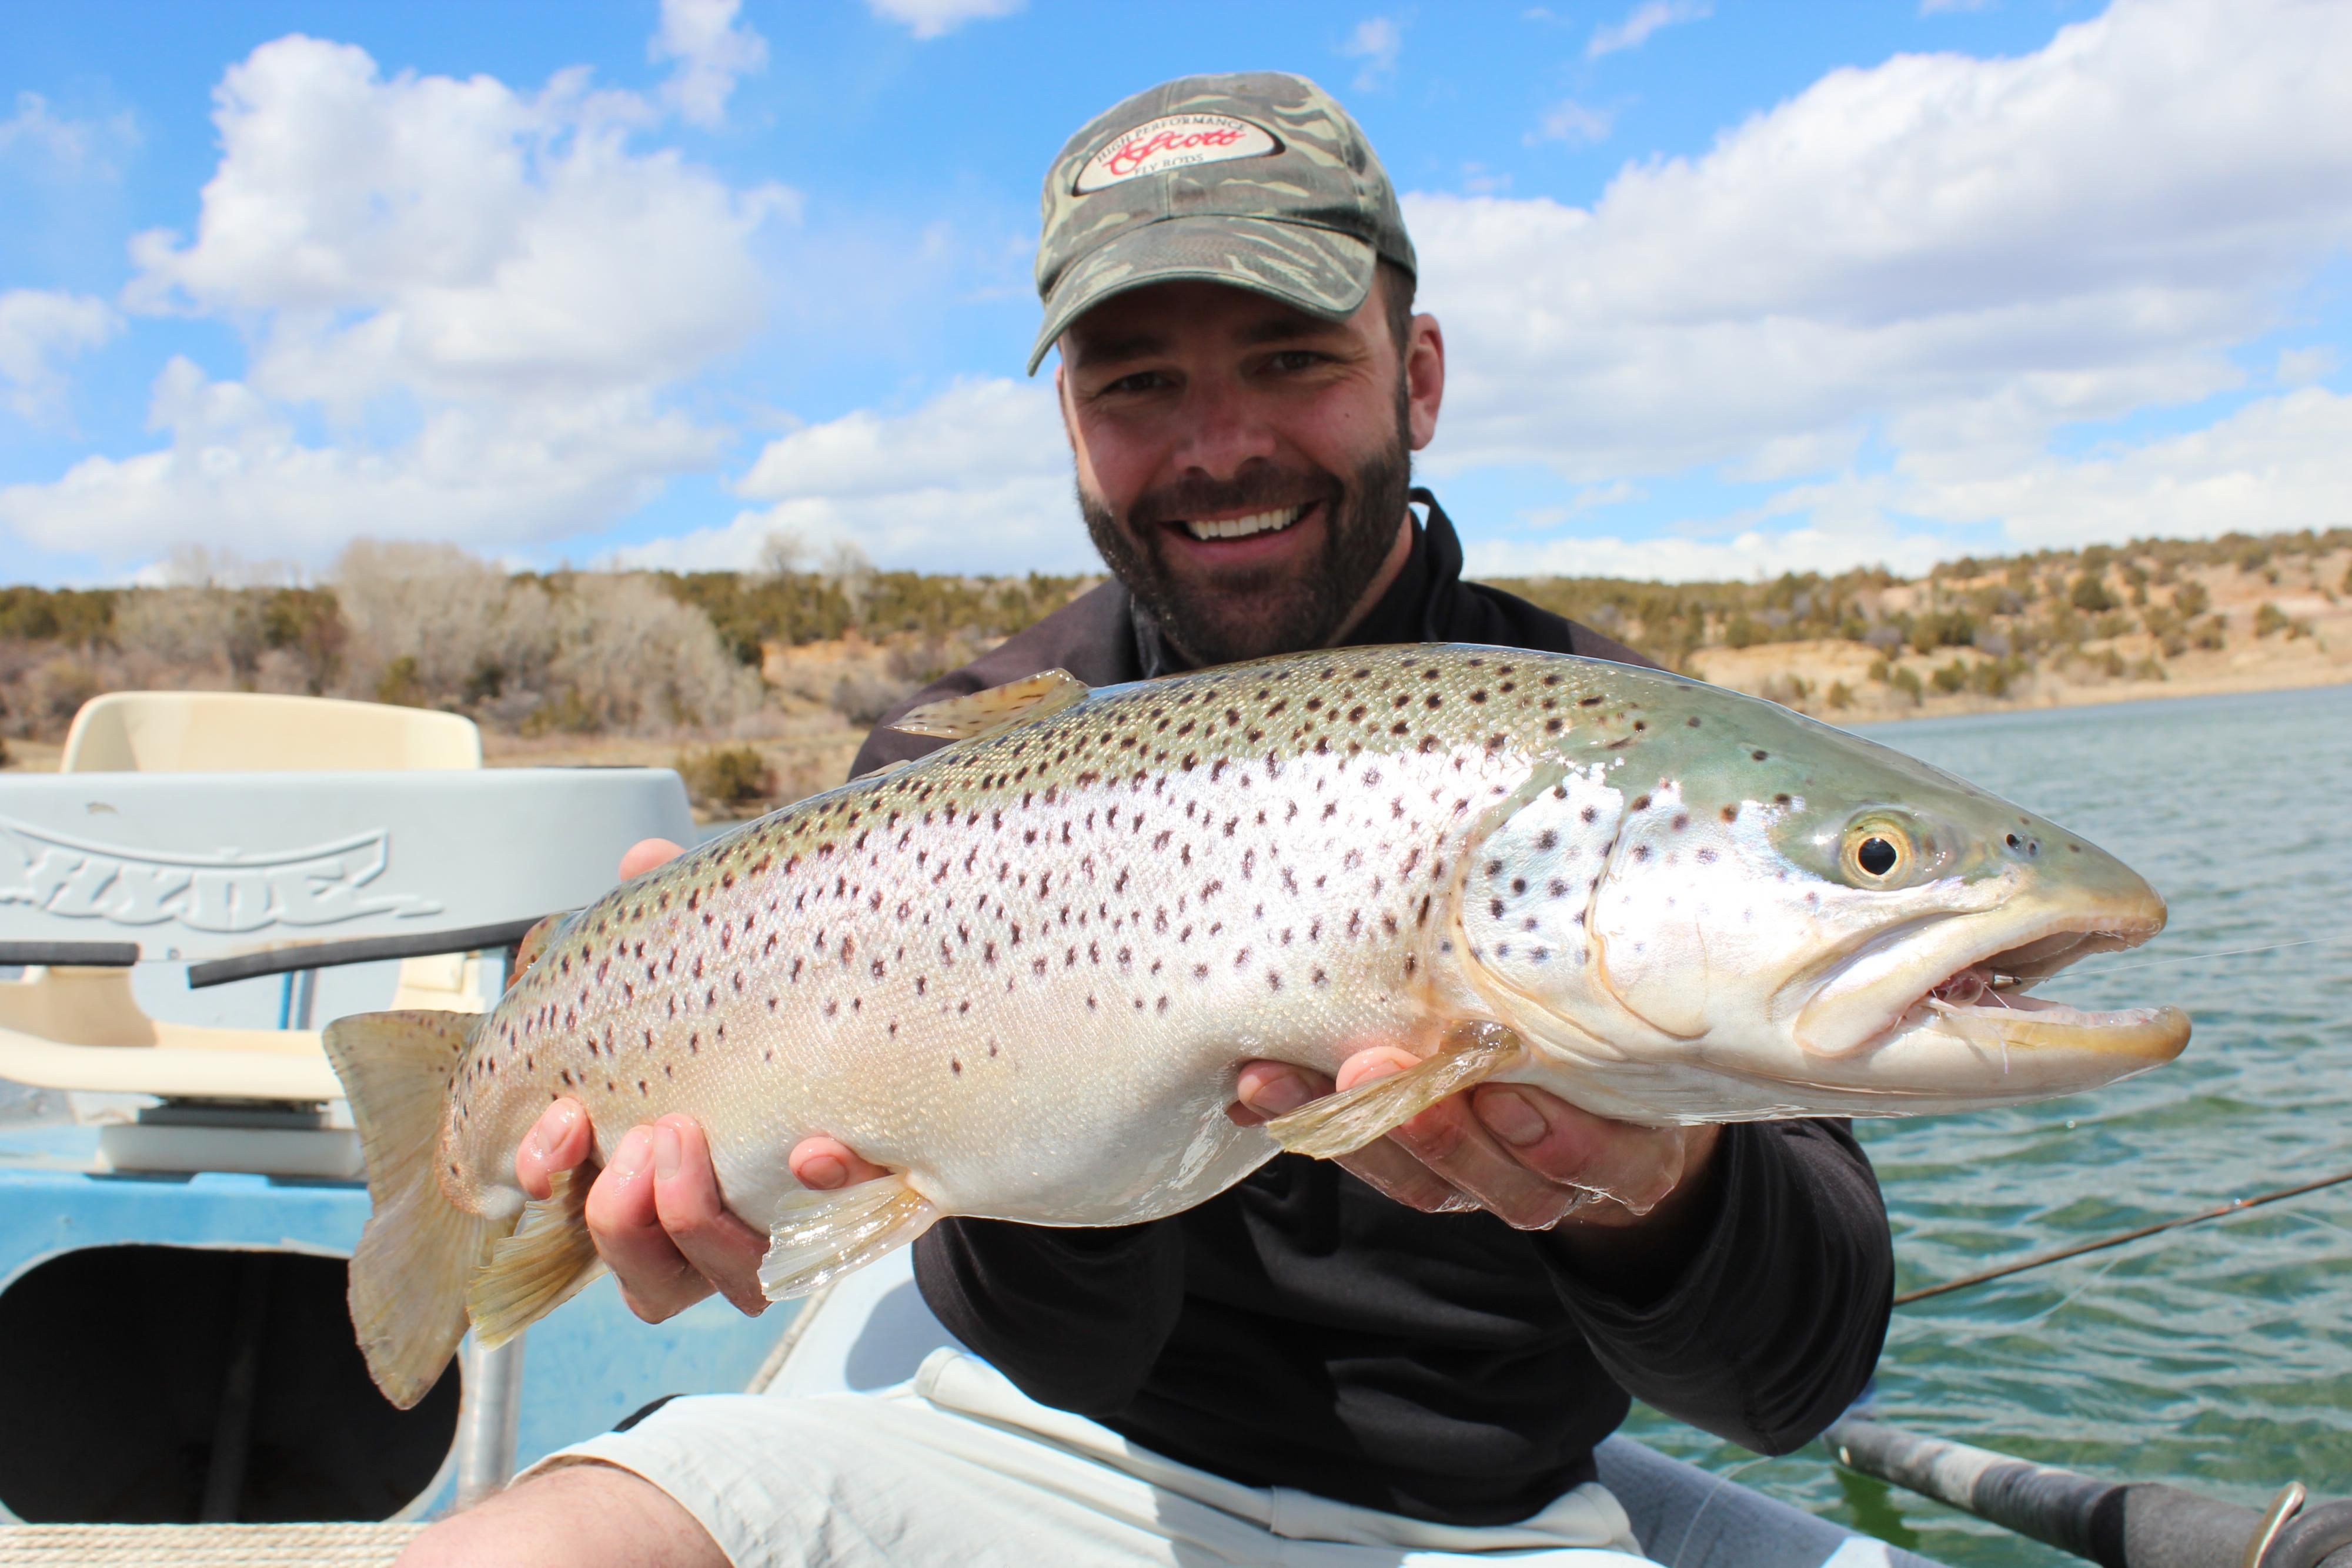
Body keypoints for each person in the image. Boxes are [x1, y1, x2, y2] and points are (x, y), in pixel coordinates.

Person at [400, 72, 1892, 1568]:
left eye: (1291, 356)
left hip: (1488, 1520)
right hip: (1012, 1443)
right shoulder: (943, 768)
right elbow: (1059, 1356)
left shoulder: (1626, 756)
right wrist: (970, 1140)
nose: (1217, 444)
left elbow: (1786, 1382)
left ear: (1417, 375)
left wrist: (1654, 1185)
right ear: (1068, 417)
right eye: (1135, 383)